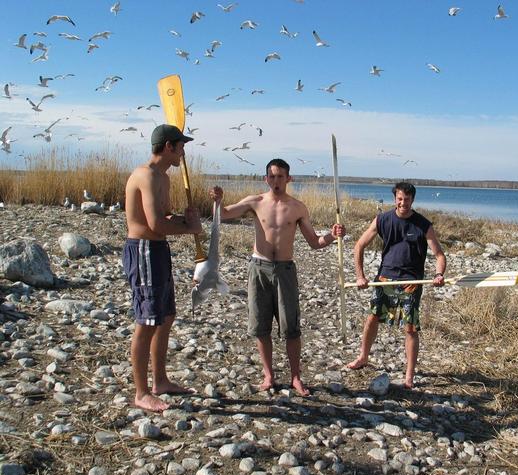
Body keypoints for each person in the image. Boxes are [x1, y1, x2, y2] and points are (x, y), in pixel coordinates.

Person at [210, 158, 345, 396]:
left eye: (280, 176)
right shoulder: (255, 202)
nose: (276, 181)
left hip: (284, 271)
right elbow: (224, 214)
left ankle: (295, 377)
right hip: (259, 269)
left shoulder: (297, 207)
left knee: (290, 326)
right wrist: (218, 201)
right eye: (272, 176)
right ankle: (269, 375)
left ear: (288, 179)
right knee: (261, 325)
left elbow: (314, 242)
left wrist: (332, 236)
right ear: (266, 179)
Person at [123, 124, 203, 412]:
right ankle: (141, 392)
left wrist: (185, 219)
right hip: (143, 250)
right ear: (169, 146)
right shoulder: (145, 175)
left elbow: (164, 216)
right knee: (147, 321)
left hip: (158, 250)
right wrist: (188, 228)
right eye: (181, 145)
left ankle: (160, 381)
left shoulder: (164, 178)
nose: (183, 151)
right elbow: (154, 224)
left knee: (166, 316)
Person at [347, 182, 446, 388]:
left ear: (413, 200)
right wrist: (360, 276)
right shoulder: (383, 219)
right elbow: (359, 245)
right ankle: (363, 357)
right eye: (399, 199)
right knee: (373, 318)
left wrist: (438, 274)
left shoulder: (423, 225)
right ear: (395, 199)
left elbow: (439, 255)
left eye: (407, 200)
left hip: (411, 282)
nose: (403, 203)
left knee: (410, 327)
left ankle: (409, 375)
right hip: (385, 278)